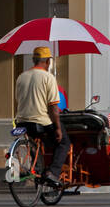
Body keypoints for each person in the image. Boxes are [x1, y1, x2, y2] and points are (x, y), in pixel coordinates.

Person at [14, 46, 70, 189]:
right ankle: (53, 172)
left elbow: (18, 100)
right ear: (48, 62)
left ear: (34, 60)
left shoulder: (21, 77)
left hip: (21, 122)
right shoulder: (48, 77)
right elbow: (53, 108)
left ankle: (38, 166)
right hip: (40, 122)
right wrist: (58, 128)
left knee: (35, 142)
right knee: (63, 142)